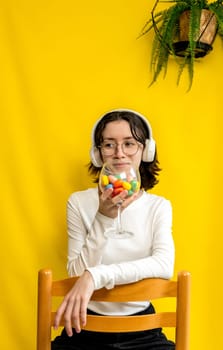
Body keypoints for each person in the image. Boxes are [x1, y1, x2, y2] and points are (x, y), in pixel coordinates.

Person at [52, 108, 175, 350]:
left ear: (145, 151)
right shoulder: (78, 202)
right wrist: (103, 218)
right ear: (98, 154)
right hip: (84, 326)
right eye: (109, 145)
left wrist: (96, 275)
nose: (119, 154)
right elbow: (75, 273)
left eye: (129, 144)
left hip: (143, 330)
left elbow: (163, 265)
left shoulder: (158, 206)